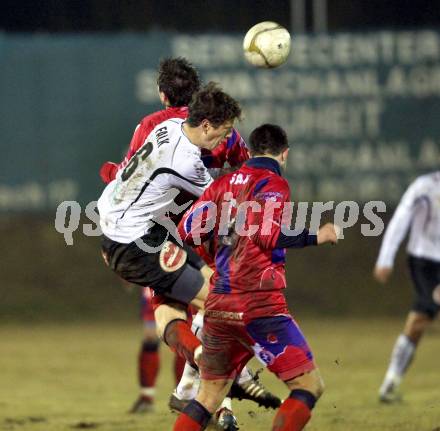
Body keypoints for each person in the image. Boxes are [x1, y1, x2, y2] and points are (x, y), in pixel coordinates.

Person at [99, 57, 248, 415]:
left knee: (176, 305)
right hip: (148, 237)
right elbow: (228, 188)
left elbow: (127, 170)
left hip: (142, 229)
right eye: (224, 131)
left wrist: (113, 173)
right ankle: (213, 379)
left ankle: (193, 383)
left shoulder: (154, 125)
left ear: (162, 93)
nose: (226, 137)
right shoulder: (194, 158)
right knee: (220, 303)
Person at [173, 124, 339, 431]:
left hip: (219, 304)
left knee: (208, 398)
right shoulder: (273, 182)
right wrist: (318, 235)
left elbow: (188, 229)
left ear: (248, 152)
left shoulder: (222, 184)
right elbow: (267, 234)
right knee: (309, 386)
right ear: (284, 154)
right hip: (258, 306)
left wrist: (217, 258)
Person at [374, 171, 440, 403]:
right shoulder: (425, 187)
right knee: (422, 316)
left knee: (417, 323)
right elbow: (400, 220)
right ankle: (390, 382)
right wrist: (385, 259)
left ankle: (390, 384)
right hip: (425, 261)